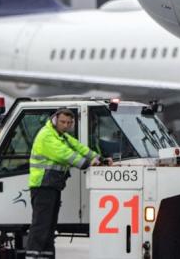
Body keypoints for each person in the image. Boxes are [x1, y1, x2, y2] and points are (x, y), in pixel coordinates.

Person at [26, 108, 111, 257]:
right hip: (43, 186)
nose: (65, 125)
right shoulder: (47, 135)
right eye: (62, 122)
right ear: (55, 120)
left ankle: (46, 255)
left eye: (68, 123)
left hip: (52, 186)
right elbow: (65, 154)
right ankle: (33, 256)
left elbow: (79, 147)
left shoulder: (61, 136)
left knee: (49, 227)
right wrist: (88, 164)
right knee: (41, 226)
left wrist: (100, 158)